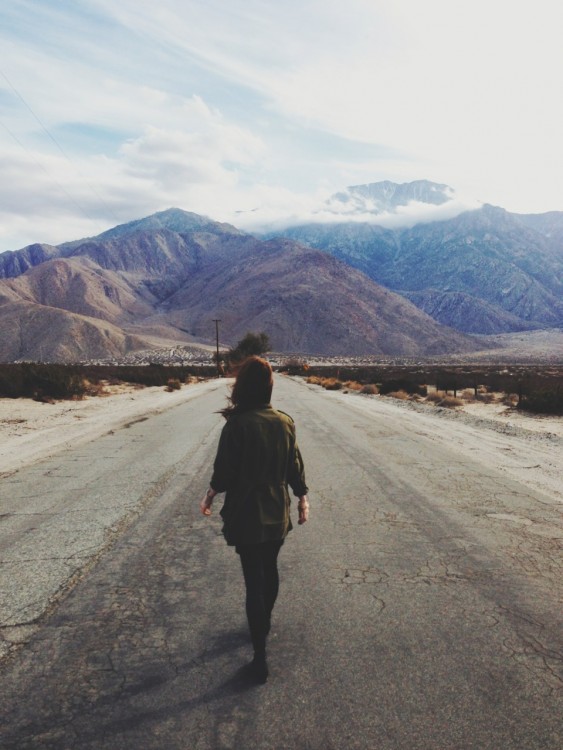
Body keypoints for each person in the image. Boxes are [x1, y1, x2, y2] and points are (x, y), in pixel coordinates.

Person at [200, 356, 309, 683]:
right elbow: (295, 466)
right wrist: (303, 498)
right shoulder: (284, 422)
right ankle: (264, 623)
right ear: (269, 386)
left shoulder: (237, 425)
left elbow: (224, 472)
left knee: (253, 580)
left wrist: (210, 494)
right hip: (277, 511)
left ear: (242, 387)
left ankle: (260, 657)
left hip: (246, 512)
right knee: (270, 569)